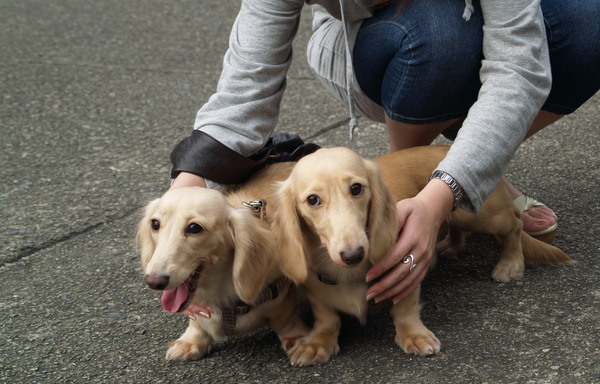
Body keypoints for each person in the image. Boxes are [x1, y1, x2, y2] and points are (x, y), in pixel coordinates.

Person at [168, 0, 600, 305]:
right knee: (439, 32)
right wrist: (186, 191)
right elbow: (245, 89)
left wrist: (442, 193)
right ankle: (435, 168)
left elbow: (519, 67)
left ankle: (455, 169)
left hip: (472, 24)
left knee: (590, 19)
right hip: (380, 45)